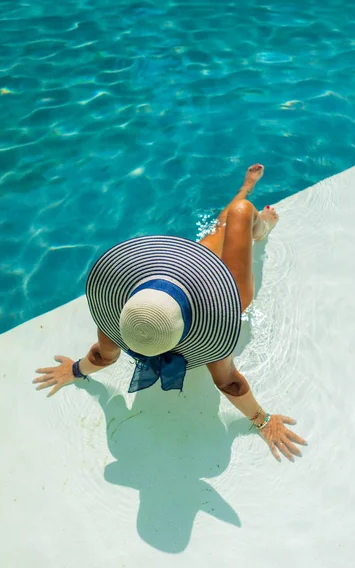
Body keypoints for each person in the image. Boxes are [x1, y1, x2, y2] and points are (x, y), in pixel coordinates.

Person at [33, 164, 307, 462]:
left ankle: (245, 190)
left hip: (175, 306)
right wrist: (263, 421)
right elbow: (230, 382)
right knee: (241, 213)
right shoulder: (215, 326)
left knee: (220, 230)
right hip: (226, 296)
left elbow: (103, 357)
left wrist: (75, 371)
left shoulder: (129, 319)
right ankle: (261, 225)